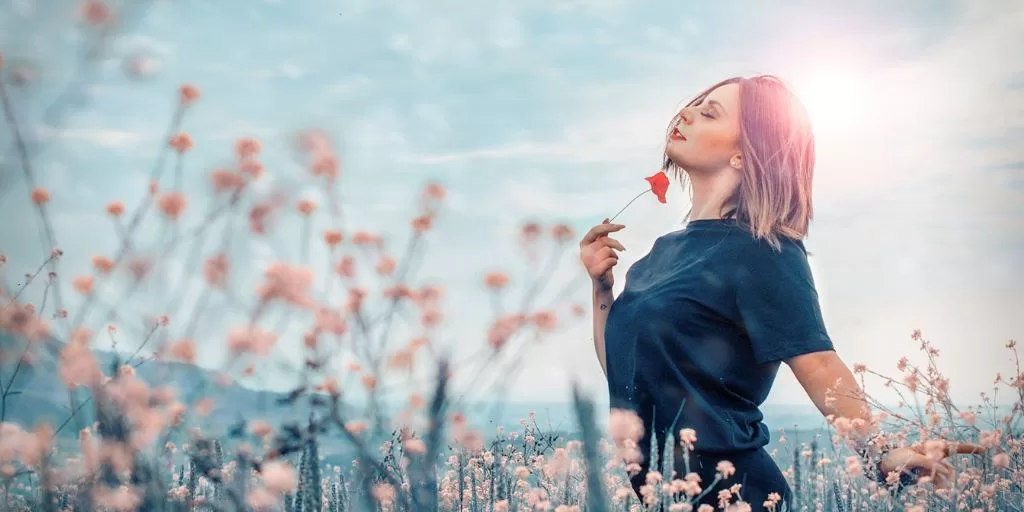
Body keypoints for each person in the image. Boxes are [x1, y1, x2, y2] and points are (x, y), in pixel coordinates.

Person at [578, 75, 985, 510]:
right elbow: (624, 372)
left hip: (735, 496)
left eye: (709, 111)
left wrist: (881, 450)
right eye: (694, 103)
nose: (687, 112)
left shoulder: (765, 249)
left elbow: (819, 363)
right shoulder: (661, 253)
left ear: (743, 153)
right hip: (659, 497)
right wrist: (602, 290)